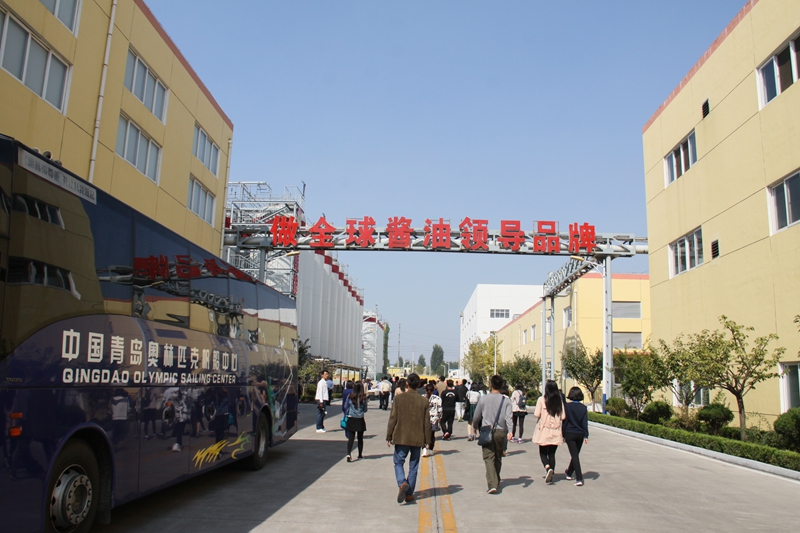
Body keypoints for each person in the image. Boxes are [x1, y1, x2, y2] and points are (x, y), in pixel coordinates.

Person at [386, 373, 431, 505]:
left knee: (398, 462)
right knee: (414, 466)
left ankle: (402, 482)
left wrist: (389, 435)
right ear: (419, 384)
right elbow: (427, 424)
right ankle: (409, 494)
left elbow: (393, 418)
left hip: (401, 436)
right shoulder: (424, 401)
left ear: (407, 384)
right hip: (418, 438)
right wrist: (428, 441)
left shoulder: (398, 399)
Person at [472, 375, 513, 494]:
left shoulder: (484, 399)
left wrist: (474, 426)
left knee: (489, 457)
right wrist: (510, 431)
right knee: (498, 457)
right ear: (502, 385)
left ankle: (492, 484)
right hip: (501, 432)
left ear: (490, 385)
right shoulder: (506, 400)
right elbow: (508, 417)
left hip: (486, 431)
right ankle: (496, 479)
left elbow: (477, 415)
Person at [533, 380, 566, 484]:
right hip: (556, 431)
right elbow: (563, 416)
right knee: (552, 454)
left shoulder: (541, 399)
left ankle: (548, 468)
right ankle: (551, 474)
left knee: (543, 453)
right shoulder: (559, 401)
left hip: (544, 430)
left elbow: (536, 414)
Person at [563, 386, 589, 487]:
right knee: (575, 455)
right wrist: (586, 435)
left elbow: (565, 422)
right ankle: (569, 472)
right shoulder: (583, 408)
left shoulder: (567, 406)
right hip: (580, 434)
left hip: (569, 433)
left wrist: (563, 434)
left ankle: (579, 478)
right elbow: (584, 423)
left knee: (575, 456)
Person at [345, 382, 369, 462]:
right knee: (360, 438)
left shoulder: (350, 396)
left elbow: (346, 406)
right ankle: (360, 454)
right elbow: (365, 410)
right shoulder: (363, 398)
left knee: (351, 438)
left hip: (351, 418)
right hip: (360, 419)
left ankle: (348, 454)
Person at [423, 383, 442, 457]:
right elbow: (440, 410)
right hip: (434, 419)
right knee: (431, 435)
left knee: (424, 434)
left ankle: (424, 448)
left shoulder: (422, 397)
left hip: (424, 418)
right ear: (433, 390)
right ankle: (431, 449)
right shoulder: (438, 399)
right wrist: (439, 419)